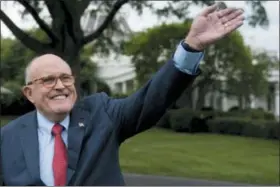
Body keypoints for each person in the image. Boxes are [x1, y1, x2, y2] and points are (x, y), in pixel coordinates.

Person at [1, 3, 244, 186]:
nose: (60, 85)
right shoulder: (7, 138)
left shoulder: (101, 113)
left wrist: (191, 47)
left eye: (66, 78)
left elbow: (150, 100)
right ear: (29, 92)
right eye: (48, 80)